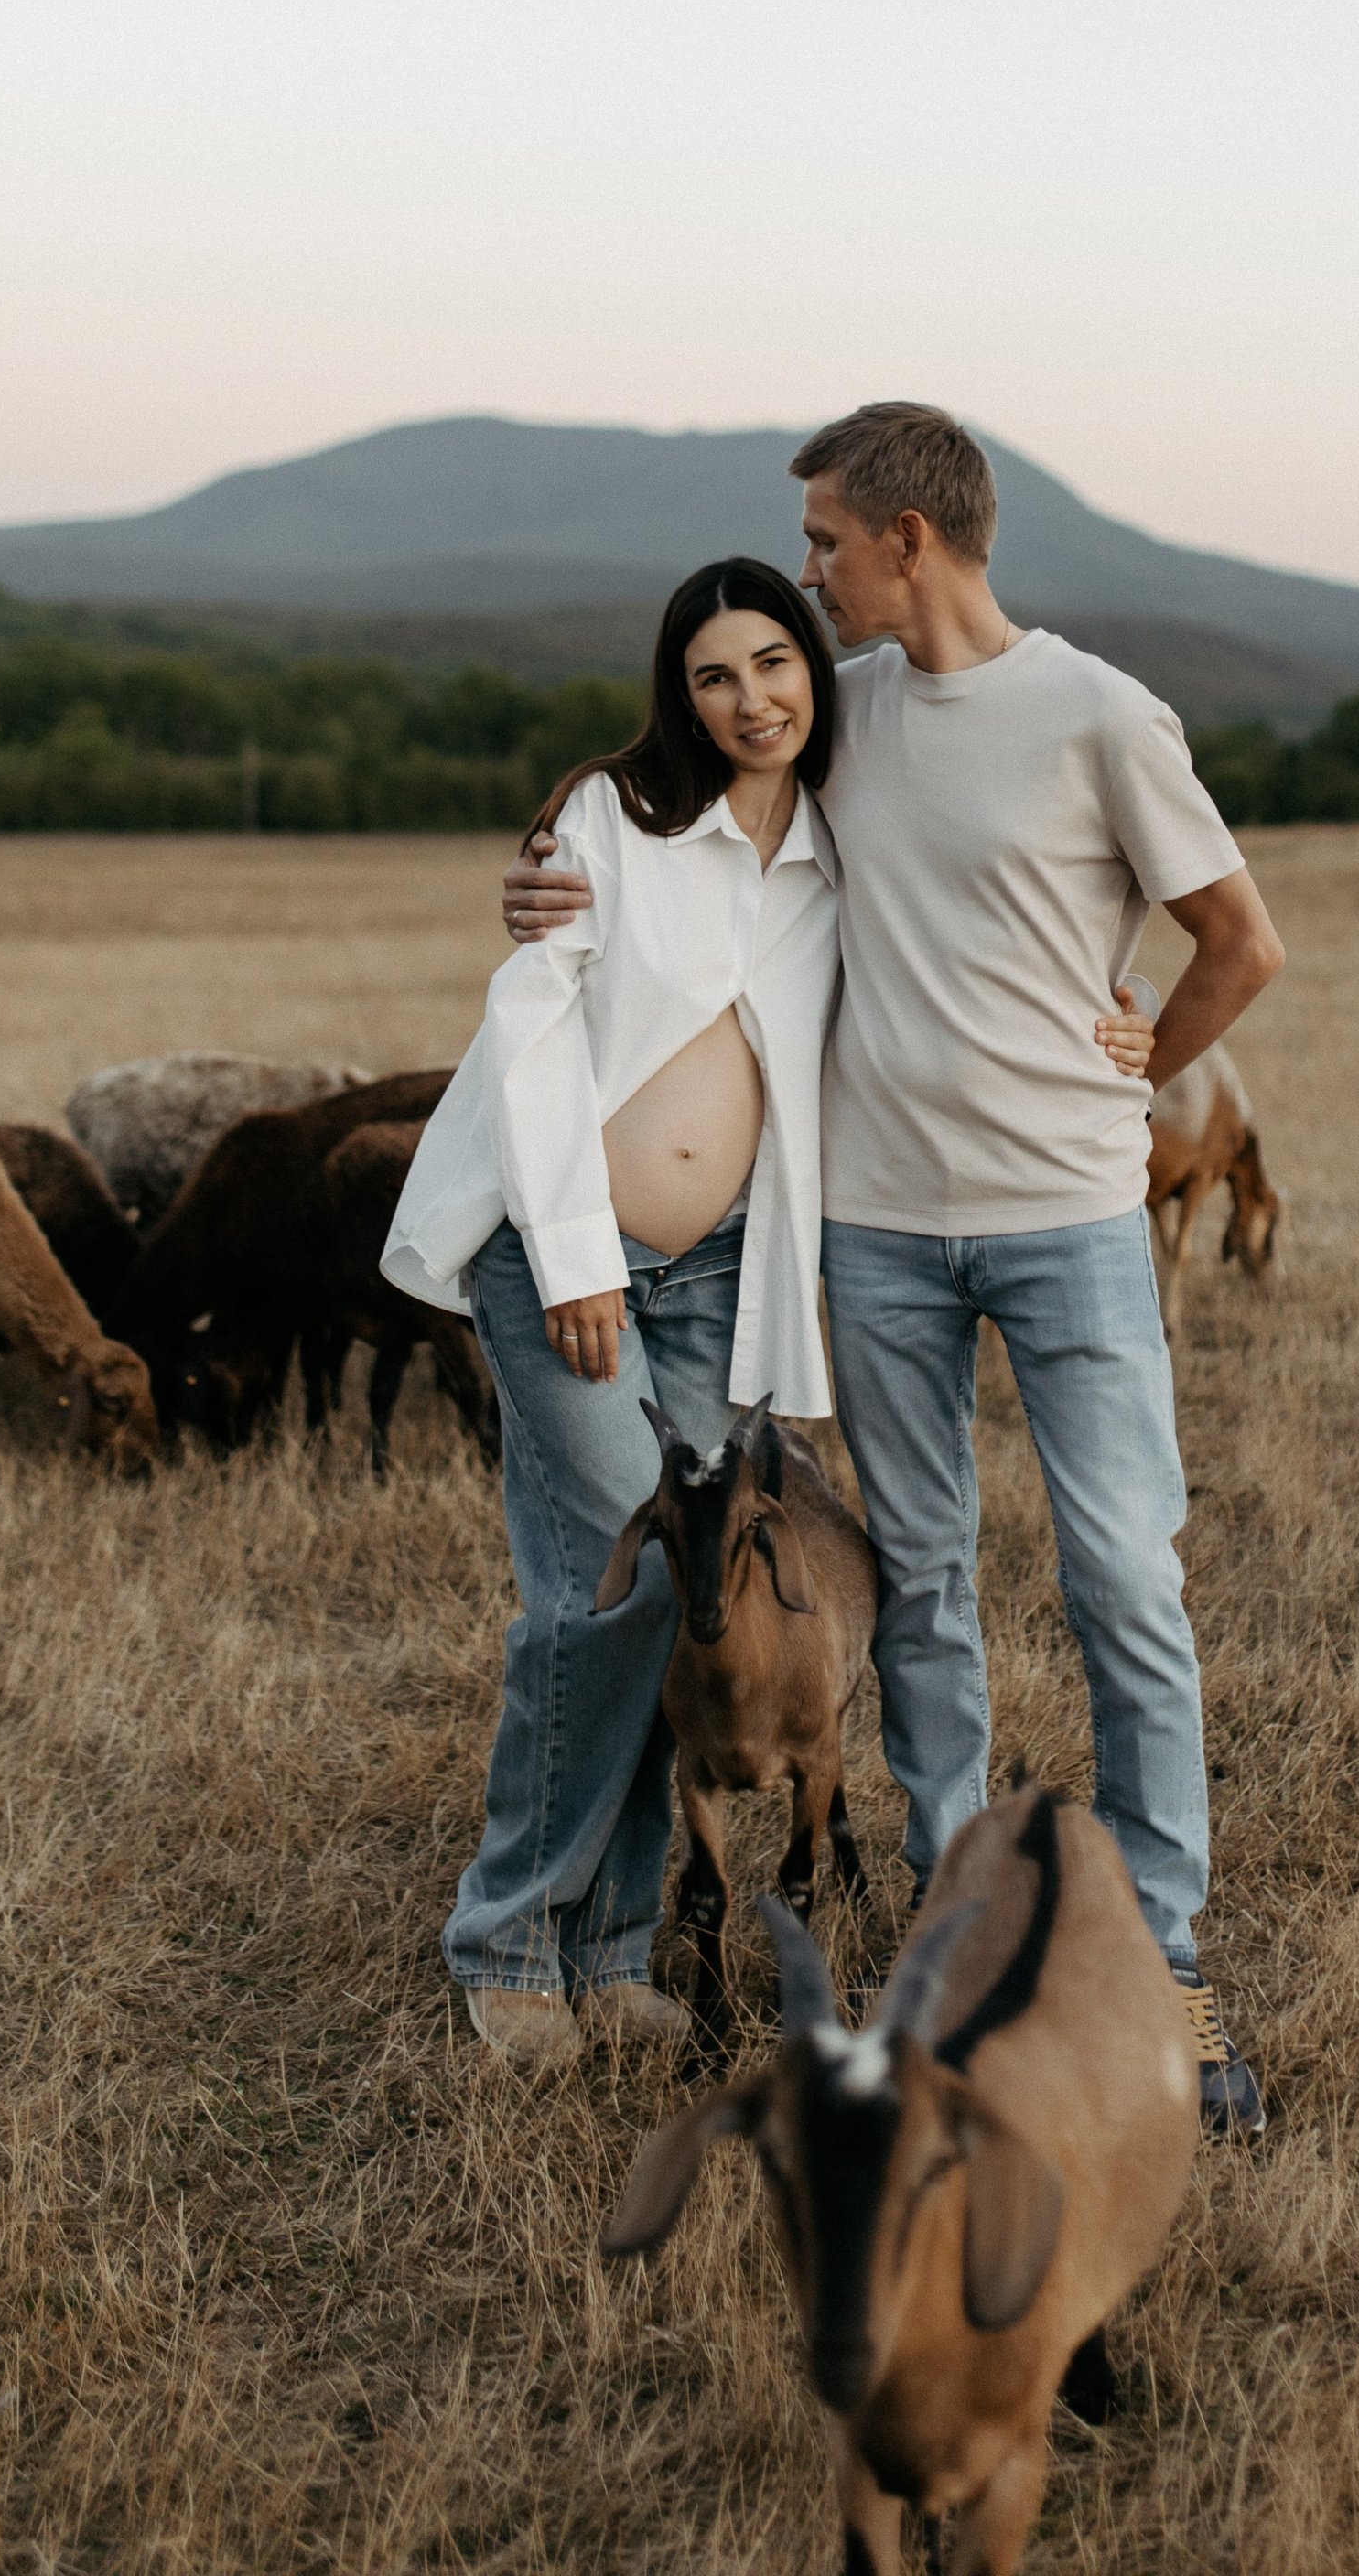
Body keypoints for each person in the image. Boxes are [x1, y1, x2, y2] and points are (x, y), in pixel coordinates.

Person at [503, 404, 1287, 2131]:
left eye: (826, 546)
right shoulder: (841, 720)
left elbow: (1243, 939)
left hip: (1073, 1226)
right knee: (923, 1584)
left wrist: (1139, 1061)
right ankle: (954, 1936)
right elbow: (685, 797)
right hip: (881, 1240)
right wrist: (555, 873)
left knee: (1124, 1585)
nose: (808, 578)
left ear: (908, 541)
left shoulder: (1095, 712)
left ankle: (1162, 1954)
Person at [382, 558, 847, 2071]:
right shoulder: (616, 819)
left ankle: (616, 1951)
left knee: (678, 1591)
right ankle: (510, 1940)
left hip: (716, 1277)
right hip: (561, 1252)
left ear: (814, 668)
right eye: (714, 676)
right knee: (613, 1581)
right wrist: (577, 1252)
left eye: (773, 662)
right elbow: (529, 1021)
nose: (750, 699)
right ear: (680, 692)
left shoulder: (842, 845)